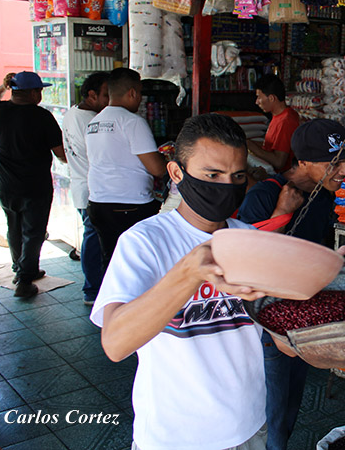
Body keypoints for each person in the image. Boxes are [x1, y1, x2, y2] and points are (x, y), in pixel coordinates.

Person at [91, 114, 310, 450]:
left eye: (237, 176)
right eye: (212, 175)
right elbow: (115, 344)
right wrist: (189, 273)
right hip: (173, 438)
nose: (226, 186)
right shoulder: (145, 242)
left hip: (248, 427)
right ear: (177, 173)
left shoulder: (250, 241)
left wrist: (314, 311)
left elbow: (284, 343)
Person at [238, 119, 345, 450]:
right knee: (271, 412)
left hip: (303, 318)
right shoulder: (266, 196)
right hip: (268, 325)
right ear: (303, 161)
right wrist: (282, 213)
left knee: (290, 404)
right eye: (334, 163)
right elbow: (246, 264)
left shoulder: (323, 196)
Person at [0, 72, 67, 298]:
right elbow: (61, 154)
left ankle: (20, 268)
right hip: (35, 187)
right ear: (34, 92)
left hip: (6, 185)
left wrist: (3, 87)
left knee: (14, 227)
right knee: (33, 232)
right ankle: (25, 279)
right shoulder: (42, 117)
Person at [85, 68, 166, 273]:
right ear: (132, 93)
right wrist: (169, 160)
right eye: (139, 93)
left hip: (98, 202)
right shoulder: (132, 121)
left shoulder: (94, 122)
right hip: (129, 205)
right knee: (136, 263)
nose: (140, 99)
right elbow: (157, 168)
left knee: (111, 261)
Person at [62, 72, 110, 305]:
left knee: (93, 238)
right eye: (107, 95)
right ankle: (92, 291)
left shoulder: (72, 112)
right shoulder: (94, 122)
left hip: (81, 186)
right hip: (92, 189)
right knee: (94, 241)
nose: (111, 100)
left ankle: (94, 289)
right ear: (92, 95)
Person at [246, 75, 300, 173]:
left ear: (271, 98)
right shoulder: (279, 116)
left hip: (282, 176)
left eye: (259, 97)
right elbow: (269, 146)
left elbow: (279, 162)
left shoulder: (286, 121)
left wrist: (250, 145)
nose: (256, 102)